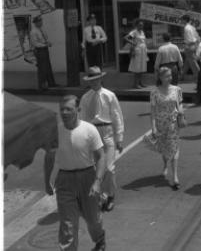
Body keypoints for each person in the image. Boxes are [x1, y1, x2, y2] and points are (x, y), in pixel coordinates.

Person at [44, 95, 107, 251]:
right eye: (62, 109)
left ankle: (100, 239)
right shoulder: (55, 132)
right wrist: (47, 182)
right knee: (68, 225)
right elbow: (49, 158)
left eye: (69, 109)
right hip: (65, 180)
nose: (64, 113)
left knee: (93, 220)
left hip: (88, 177)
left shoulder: (89, 130)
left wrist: (97, 181)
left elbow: (101, 157)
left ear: (78, 110)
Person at [79, 67, 125, 212]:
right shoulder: (85, 98)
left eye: (96, 79)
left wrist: (119, 137)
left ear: (101, 79)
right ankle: (100, 197)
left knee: (110, 168)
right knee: (95, 167)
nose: (94, 82)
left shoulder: (109, 95)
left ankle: (110, 195)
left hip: (107, 132)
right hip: (92, 133)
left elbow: (117, 115)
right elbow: (82, 119)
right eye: (91, 80)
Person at [144, 67, 184, 190]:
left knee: (174, 148)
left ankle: (175, 176)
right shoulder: (154, 92)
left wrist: (181, 115)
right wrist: (153, 127)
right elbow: (153, 111)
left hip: (173, 124)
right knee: (164, 148)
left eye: (170, 75)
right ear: (160, 77)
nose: (170, 78)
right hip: (161, 124)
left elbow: (180, 104)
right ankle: (165, 165)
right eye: (167, 76)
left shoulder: (177, 90)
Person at [30, 15, 57, 91]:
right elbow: (35, 44)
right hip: (39, 51)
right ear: (35, 23)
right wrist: (45, 45)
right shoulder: (33, 32)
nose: (41, 22)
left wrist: (48, 43)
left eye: (41, 21)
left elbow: (46, 38)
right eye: (39, 21)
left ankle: (51, 83)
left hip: (45, 50)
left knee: (48, 67)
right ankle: (42, 86)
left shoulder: (42, 29)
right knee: (42, 68)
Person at [124, 19, 149, 89]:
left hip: (143, 51)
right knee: (137, 68)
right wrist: (132, 42)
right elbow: (125, 38)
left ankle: (140, 83)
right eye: (140, 25)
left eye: (142, 25)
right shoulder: (134, 32)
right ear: (137, 25)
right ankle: (135, 84)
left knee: (142, 67)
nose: (141, 26)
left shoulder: (142, 32)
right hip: (137, 51)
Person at [182, 14, 200, 82]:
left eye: (182, 20)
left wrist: (186, 46)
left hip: (189, 46)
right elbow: (197, 37)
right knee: (188, 62)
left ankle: (199, 77)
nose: (181, 21)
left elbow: (190, 40)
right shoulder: (192, 27)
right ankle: (182, 75)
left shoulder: (186, 28)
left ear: (184, 20)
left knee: (193, 63)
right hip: (194, 45)